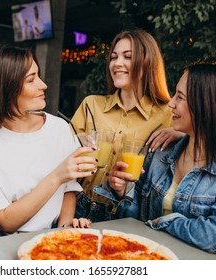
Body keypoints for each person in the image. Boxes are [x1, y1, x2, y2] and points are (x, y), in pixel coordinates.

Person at [105, 61, 216, 256]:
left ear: (208, 106)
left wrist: (163, 222)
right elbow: (135, 217)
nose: (171, 103)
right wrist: (122, 192)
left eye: (179, 97)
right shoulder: (161, 150)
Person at [0, 44, 96, 241]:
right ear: (4, 89)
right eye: (31, 79)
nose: (43, 85)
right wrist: (57, 175)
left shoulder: (58, 128)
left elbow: (69, 190)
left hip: (50, 235)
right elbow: (6, 222)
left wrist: (64, 229)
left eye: (38, 75)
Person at [70, 29, 182, 222]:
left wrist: (182, 134)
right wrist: (76, 141)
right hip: (77, 206)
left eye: (127, 57)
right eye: (114, 57)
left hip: (124, 214)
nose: (117, 63)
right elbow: (59, 156)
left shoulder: (167, 115)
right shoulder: (91, 105)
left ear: (148, 63)